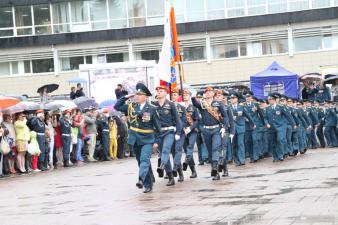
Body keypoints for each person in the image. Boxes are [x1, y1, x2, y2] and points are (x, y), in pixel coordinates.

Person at [114, 83, 161, 193]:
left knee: (144, 160)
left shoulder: (152, 109)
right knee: (141, 162)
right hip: (135, 138)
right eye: (137, 94)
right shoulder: (131, 106)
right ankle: (148, 182)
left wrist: (157, 141)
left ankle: (141, 180)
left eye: (140, 94)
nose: (137, 96)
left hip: (148, 139)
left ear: (146, 97)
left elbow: (158, 128)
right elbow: (117, 106)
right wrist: (126, 97)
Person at [192, 86, 230, 180]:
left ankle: (215, 169)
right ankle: (215, 171)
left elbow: (225, 117)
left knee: (215, 148)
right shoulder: (202, 103)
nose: (208, 93)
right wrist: (193, 97)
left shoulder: (218, 103)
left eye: (210, 92)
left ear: (213, 93)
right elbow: (195, 104)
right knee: (210, 151)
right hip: (206, 130)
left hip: (216, 129)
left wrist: (224, 127)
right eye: (206, 92)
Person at [153, 85, 182, 186]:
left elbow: (178, 120)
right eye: (158, 91)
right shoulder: (153, 105)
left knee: (166, 150)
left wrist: (178, 133)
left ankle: (161, 166)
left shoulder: (170, 105)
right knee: (163, 153)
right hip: (158, 133)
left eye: (161, 91)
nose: (159, 92)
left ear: (166, 93)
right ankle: (170, 177)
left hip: (169, 131)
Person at [266, 94, 296, 162]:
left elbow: (288, 116)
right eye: (268, 100)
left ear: (274, 100)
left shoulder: (281, 107)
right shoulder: (268, 108)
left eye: (270, 99)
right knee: (273, 142)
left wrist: (293, 124)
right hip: (271, 128)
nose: (269, 101)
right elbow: (265, 118)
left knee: (279, 140)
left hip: (280, 127)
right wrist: (267, 123)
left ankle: (280, 155)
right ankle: (275, 157)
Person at [229, 93, 254, 166]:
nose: (232, 100)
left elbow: (248, 115)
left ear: (237, 99)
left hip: (240, 128)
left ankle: (242, 159)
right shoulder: (228, 107)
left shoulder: (241, 107)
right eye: (231, 98)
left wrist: (252, 123)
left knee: (240, 144)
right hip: (232, 129)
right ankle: (236, 160)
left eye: (234, 98)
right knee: (234, 145)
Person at [182, 89, 199, 179]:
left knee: (190, 147)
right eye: (183, 95)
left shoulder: (193, 108)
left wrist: (190, 128)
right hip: (183, 131)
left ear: (189, 96)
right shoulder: (179, 107)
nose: (185, 96)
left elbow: (197, 120)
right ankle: (193, 171)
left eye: (187, 95)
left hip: (192, 131)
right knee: (187, 151)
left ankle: (185, 161)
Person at [171, 89, 186, 182]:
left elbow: (184, 121)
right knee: (174, 153)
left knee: (178, 150)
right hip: (171, 132)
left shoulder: (182, 107)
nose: (173, 96)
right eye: (172, 95)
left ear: (178, 96)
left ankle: (175, 166)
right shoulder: (168, 106)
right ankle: (180, 173)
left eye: (175, 94)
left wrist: (179, 128)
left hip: (180, 133)